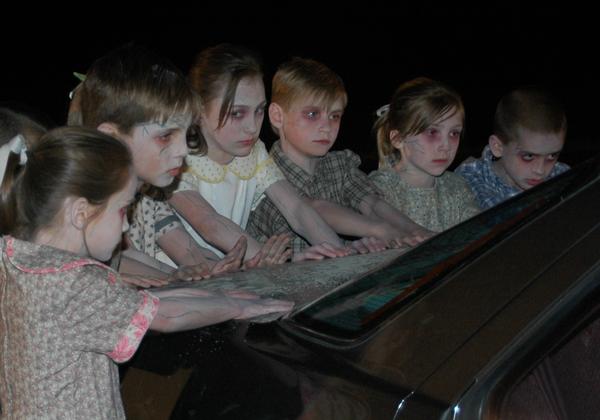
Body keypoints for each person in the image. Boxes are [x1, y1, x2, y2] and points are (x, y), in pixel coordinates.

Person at [0, 127, 292, 419]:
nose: (127, 226)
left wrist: (215, 294)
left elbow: (145, 302)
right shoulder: (71, 283)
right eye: (122, 210)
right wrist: (238, 307)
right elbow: (165, 316)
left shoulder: (19, 261)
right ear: (81, 213)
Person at [71, 44, 289, 286]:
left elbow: (186, 253)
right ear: (112, 138)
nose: (184, 150)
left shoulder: (150, 196)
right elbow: (111, 269)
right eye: (166, 136)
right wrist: (177, 282)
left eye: (185, 134)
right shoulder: (83, 202)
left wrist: (218, 273)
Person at [170, 44, 352, 259]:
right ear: (198, 109)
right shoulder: (176, 158)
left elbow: (297, 209)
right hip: (176, 271)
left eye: (259, 110)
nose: (252, 127)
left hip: (231, 269)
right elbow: (210, 224)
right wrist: (275, 263)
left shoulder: (254, 153)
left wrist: (340, 254)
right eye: (237, 113)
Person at [246, 57, 432, 254]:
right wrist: (379, 233)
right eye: (312, 114)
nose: (326, 127)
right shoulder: (263, 181)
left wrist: (416, 232)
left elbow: (372, 203)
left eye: (334, 116)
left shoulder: (339, 165)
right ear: (277, 116)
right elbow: (307, 227)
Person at [368, 77, 480, 232]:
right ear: (398, 139)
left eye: (454, 133)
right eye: (432, 132)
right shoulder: (378, 190)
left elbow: (477, 236)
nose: (446, 146)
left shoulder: (457, 187)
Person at [455, 86, 570, 209]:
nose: (540, 170)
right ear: (498, 147)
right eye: (529, 156)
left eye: (552, 156)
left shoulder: (563, 176)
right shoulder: (469, 180)